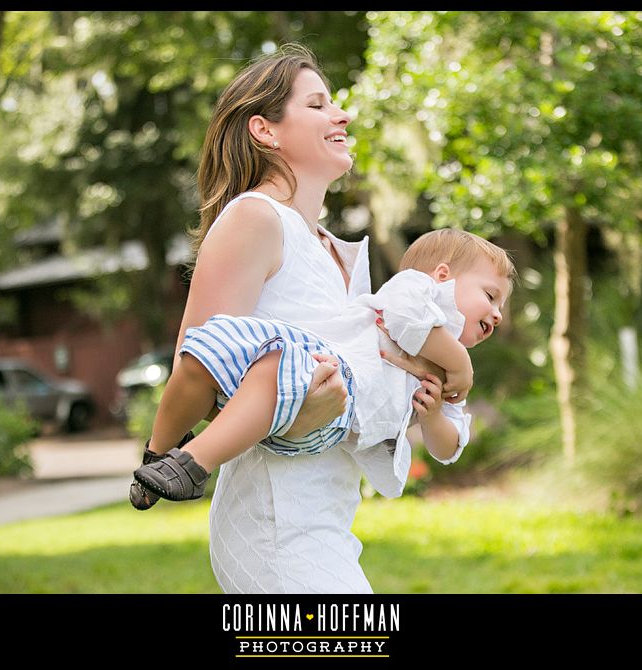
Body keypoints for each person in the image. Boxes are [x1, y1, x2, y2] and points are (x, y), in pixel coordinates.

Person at [131, 43, 489, 593]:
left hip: (327, 516)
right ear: (265, 131)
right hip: (273, 521)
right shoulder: (255, 218)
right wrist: (299, 418)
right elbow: (201, 369)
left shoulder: (335, 251)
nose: (342, 115)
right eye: (318, 105)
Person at [130, 228, 514, 506]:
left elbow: (449, 448)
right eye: (490, 295)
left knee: (274, 363)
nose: (496, 314)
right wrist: (460, 363)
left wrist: (432, 419)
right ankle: (158, 455)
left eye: (500, 307)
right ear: (442, 277)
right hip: (320, 357)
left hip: (334, 398)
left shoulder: (450, 380)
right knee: (210, 345)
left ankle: (195, 464)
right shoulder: (418, 292)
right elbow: (401, 317)